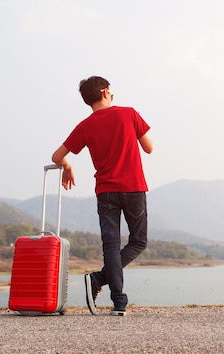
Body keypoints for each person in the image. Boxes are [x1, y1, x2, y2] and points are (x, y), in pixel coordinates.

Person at [51, 76, 153, 316]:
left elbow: (57, 156)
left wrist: (67, 166)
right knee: (138, 241)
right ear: (106, 92)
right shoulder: (128, 114)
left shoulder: (85, 126)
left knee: (111, 245)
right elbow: (149, 148)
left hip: (105, 191)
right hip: (133, 187)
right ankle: (97, 279)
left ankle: (119, 303)